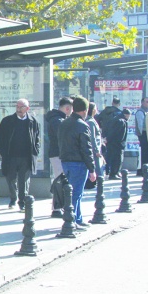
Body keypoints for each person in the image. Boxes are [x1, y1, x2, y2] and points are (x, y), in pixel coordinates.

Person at [57, 96, 97, 227]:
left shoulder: (64, 123)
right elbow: (86, 149)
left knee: (71, 192)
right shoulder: (82, 125)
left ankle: (77, 218)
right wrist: (92, 169)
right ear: (85, 110)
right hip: (78, 163)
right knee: (76, 193)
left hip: (65, 161)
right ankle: (72, 220)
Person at [0, 98, 41, 210]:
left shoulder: (33, 121)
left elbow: (37, 139)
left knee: (24, 180)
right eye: (17, 106)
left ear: (27, 108)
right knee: (11, 178)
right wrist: (3, 152)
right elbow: (1, 139)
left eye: (21, 107)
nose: (18, 109)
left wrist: (36, 150)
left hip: (27, 157)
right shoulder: (7, 121)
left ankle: (22, 201)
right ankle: (13, 199)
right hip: (10, 156)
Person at [44, 97, 72, 217]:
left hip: (57, 153)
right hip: (58, 154)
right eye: (71, 110)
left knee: (59, 180)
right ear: (67, 108)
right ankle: (56, 208)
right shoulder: (58, 120)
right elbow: (62, 138)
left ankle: (58, 207)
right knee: (60, 180)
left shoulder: (56, 118)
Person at [105, 108, 130, 179]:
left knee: (113, 158)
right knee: (117, 159)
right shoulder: (122, 121)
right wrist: (121, 144)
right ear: (126, 115)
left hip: (112, 143)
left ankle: (115, 172)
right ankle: (114, 173)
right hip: (118, 144)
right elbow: (121, 135)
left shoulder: (115, 119)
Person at [86, 102, 103, 182]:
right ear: (92, 110)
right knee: (97, 167)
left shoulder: (91, 120)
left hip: (96, 147)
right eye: (95, 108)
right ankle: (98, 182)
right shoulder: (91, 122)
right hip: (94, 150)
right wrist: (96, 150)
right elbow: (92, 137)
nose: (97, 110)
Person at [134, 97, 148, 176]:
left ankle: (145, 168)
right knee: (144, 153)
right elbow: (141, 125)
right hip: (143, 134)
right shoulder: (140, 112)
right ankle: (142, 170)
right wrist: (142, 135)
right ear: (142, 103)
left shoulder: (147, 111)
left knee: (146, 153)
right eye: (147, 102)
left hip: (147, 134)